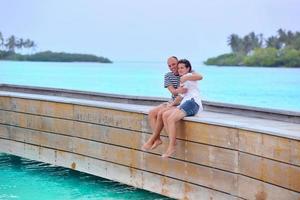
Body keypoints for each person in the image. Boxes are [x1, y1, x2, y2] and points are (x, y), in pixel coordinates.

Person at [142, 57, 202, 151]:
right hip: (174, 100)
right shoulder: (168, 76)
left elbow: (199, 77)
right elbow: (174, 92)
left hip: (180, 102)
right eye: (169, 66)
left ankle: (156, 140)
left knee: (162, 113)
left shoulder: (186, 72)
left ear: (178, 63)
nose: (172, 67)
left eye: (174, 64)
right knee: (152, 113)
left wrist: (186, 77)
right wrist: (178, 91)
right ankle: (157, 139)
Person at [161, 59, 203, 158]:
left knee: (171, 118)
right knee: (165, 115)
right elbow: (180, 96)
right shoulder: (183, 79)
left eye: (182, 68)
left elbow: (200, 77)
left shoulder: (188, 76)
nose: (179, 69)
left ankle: (171, 146)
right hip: (186, 103)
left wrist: (185, 78)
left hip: (193, 103)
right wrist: (171, 105)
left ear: (188, 68)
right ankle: (173, 142)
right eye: (178, 68)